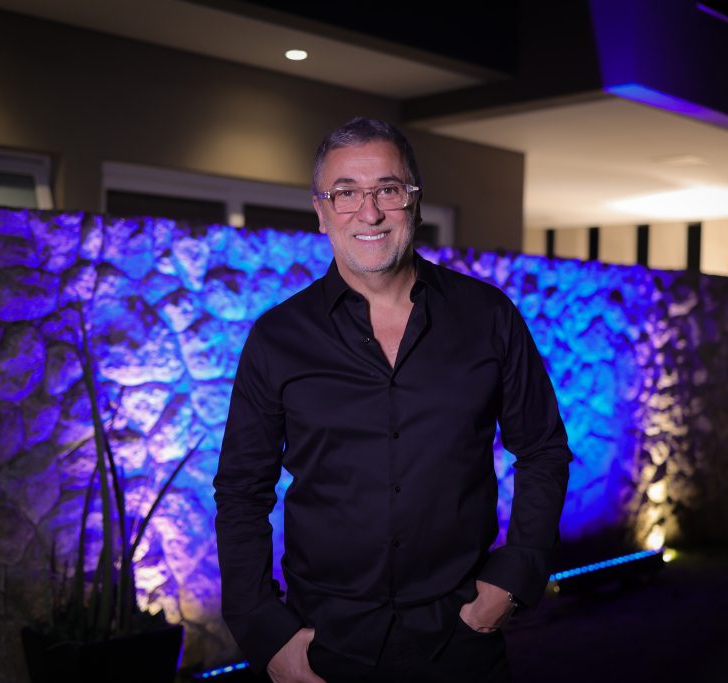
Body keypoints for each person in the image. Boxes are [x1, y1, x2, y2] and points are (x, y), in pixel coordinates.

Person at [213, 117, 572, 683]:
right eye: (346, 193)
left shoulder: (489, 317)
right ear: (321, 211)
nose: (369, 212)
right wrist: (263, 628)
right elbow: (241, 489)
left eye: (387, 190)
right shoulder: (277, 338)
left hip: (461, 638)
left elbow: (543, 449)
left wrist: (515, 575)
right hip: (324, 644)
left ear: (415, 201)